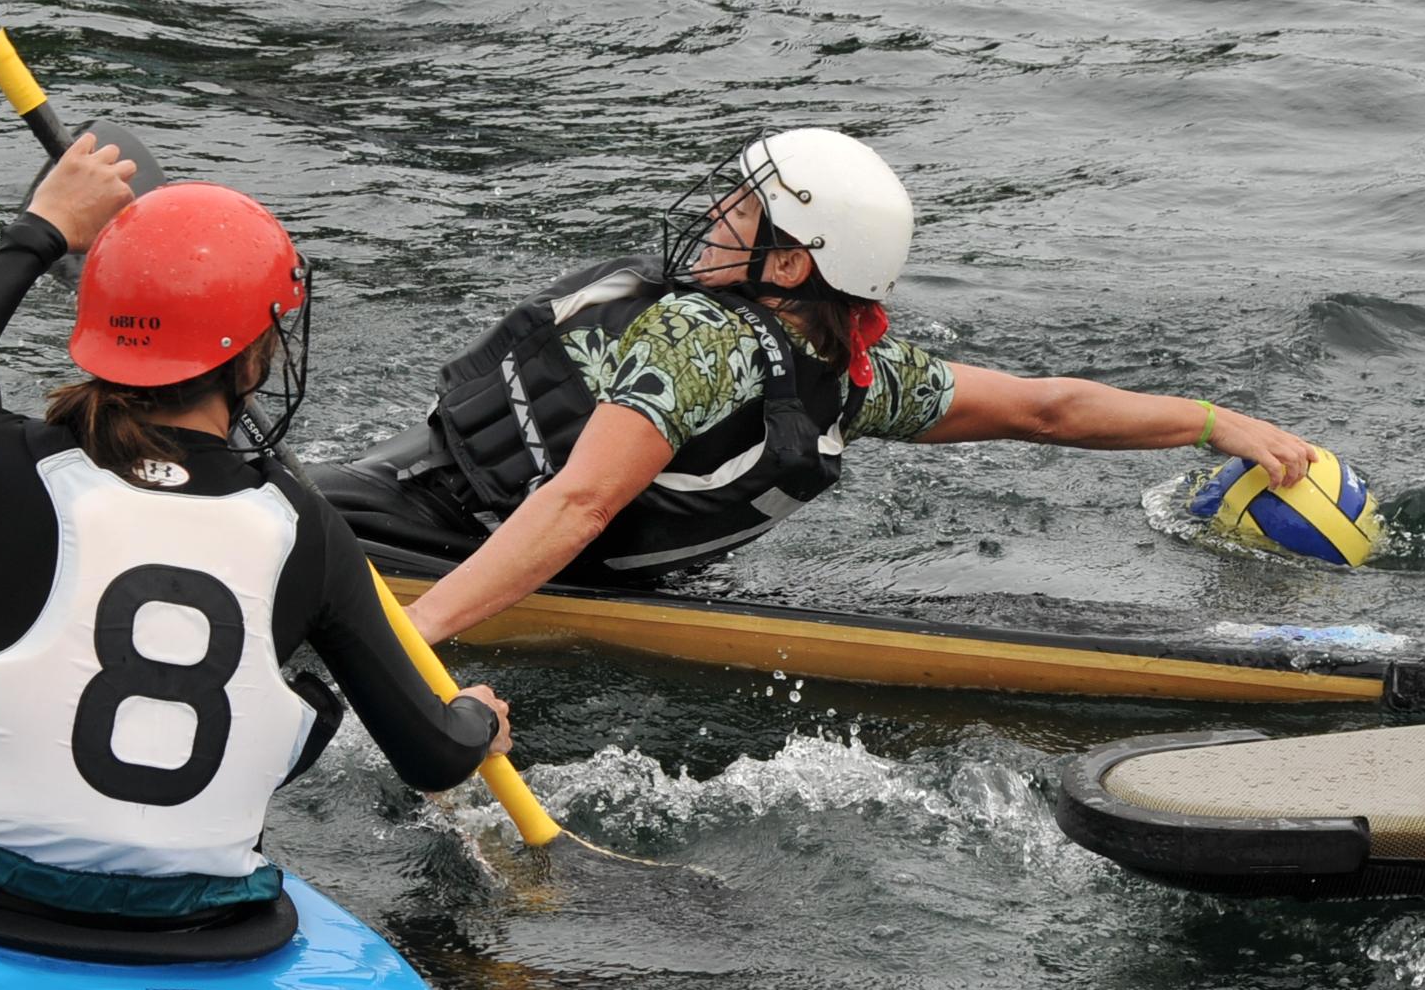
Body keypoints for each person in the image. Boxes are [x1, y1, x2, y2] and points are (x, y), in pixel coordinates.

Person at [311, 128, 1320, 646]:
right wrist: (1213, 422)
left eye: (739, 211)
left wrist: (411, 640)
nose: (711, 217)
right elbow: (1043, 408)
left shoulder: (699, 337)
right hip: (604, 574)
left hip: (421, 528)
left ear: (791, 266)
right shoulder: (857, 376)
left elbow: (577, 501)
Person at [0, 137, 509, 919]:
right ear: (250, 365)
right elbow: (433, 757)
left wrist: (40, 230)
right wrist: (477, 719)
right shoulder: (303, 527)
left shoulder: (4, 466)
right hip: (202, 918)